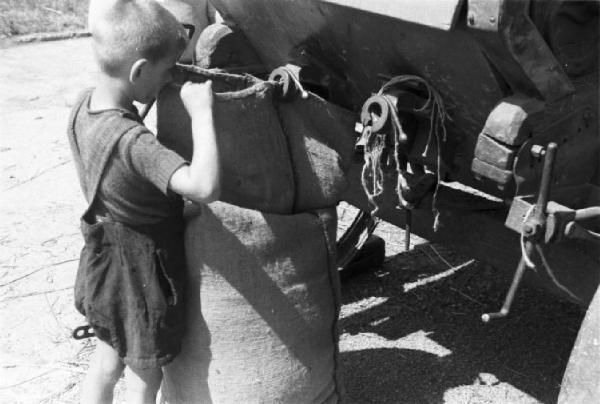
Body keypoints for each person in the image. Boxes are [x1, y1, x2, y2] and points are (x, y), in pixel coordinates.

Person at [67, 0, 220, 402]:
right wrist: (201, 114)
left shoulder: (83, 107)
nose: (170, 77)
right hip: (142, 273)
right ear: (138, 70)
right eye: (167, 69)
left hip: (103, 262)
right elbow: (204, 186)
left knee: (105, 363)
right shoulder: (136, 144)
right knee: (144, 375)